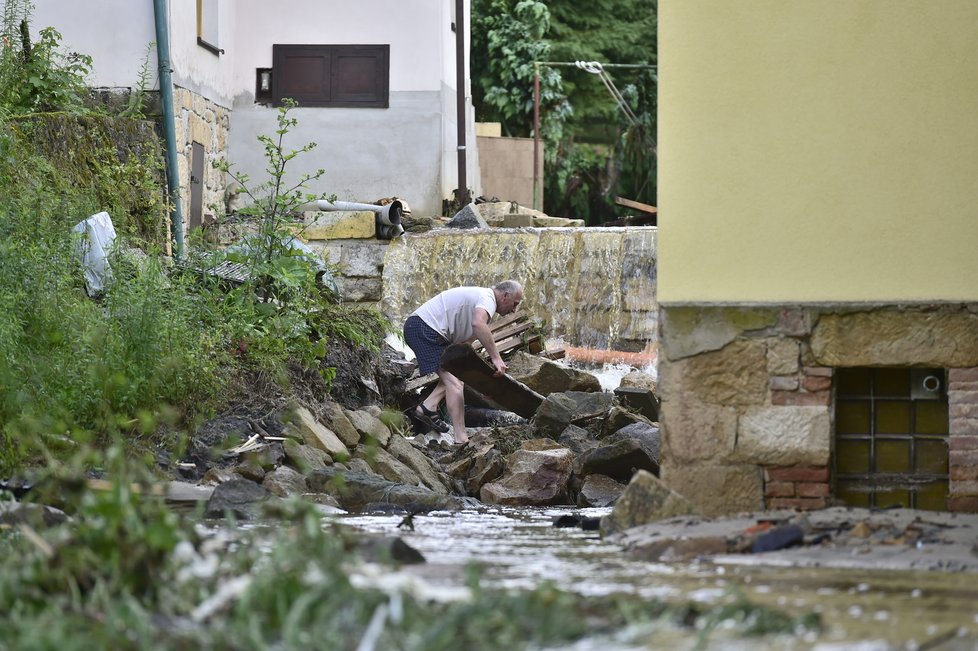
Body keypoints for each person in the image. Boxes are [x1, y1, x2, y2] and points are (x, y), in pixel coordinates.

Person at [403, 280, 524, 445]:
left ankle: (428, 406)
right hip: (423, 329)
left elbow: (462, 350)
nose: (514, 310)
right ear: (505, 296)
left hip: (422, 328)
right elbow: (478, 324)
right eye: (515, 304)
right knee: (455, 383)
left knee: (456, 375)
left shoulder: (482, 302)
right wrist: (496, 358)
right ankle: (461, 439)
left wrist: (485, 384)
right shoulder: (487, 299)